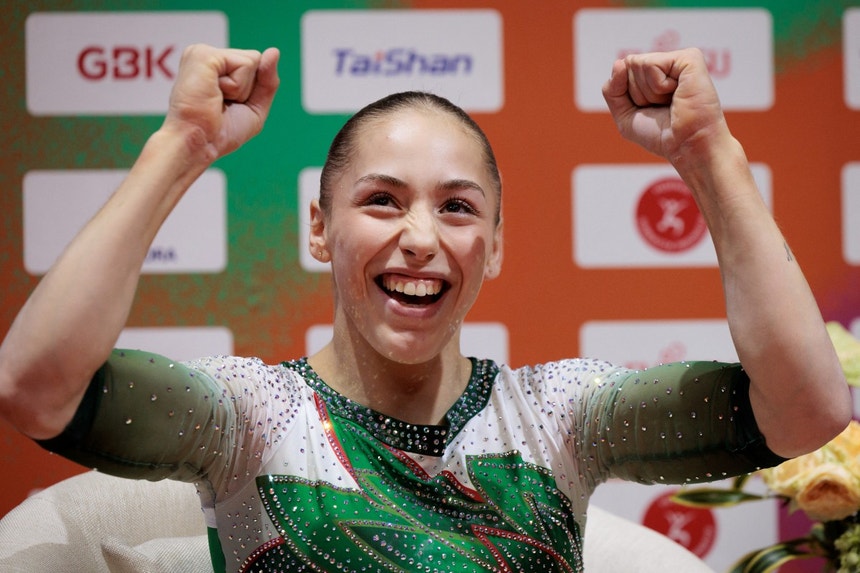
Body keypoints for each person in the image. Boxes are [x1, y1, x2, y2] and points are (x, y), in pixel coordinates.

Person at [0, 43, 850, 572]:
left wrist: (707, 153)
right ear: (320, 230)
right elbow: (33, 386)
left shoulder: (560, 417)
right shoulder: (249, 416)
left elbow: (807, 409)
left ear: (496, 246)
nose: (420, 237)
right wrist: (182, 145)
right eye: (381, 200)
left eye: (457, 207)